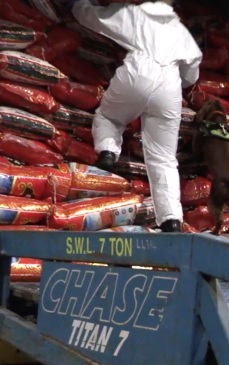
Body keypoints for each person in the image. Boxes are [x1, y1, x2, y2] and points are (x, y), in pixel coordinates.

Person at [71, 0, 202, 233]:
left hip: (138, 72)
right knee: (163, 158)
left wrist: (78, 6)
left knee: (108, 117)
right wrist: (176, 79)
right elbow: (192, 71)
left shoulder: (137, 15)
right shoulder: (181, 32)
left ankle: (108, 152)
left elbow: (98, 19)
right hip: (170, 87)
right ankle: (171, 219)